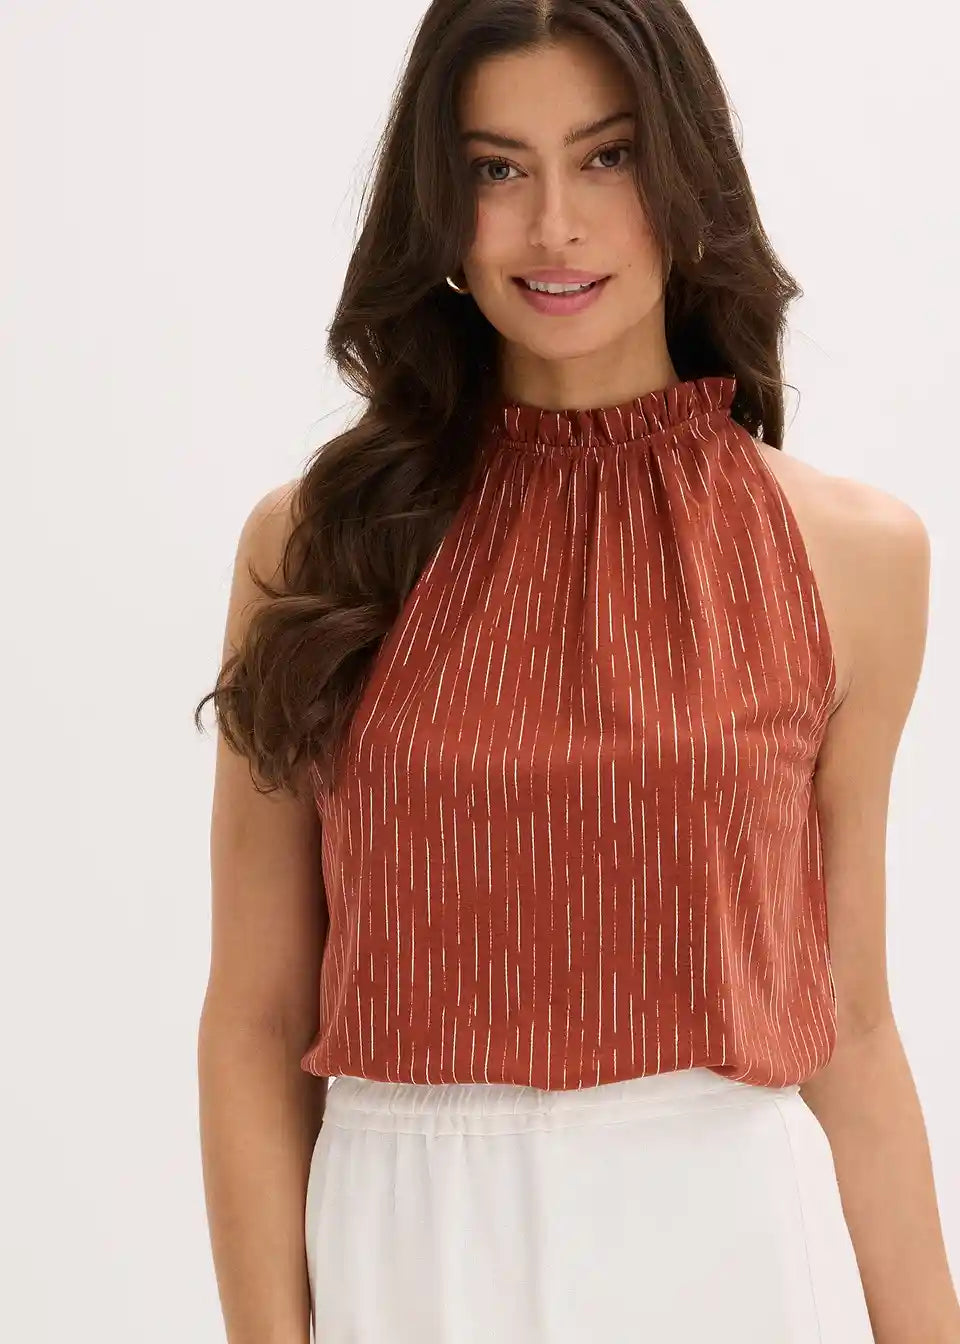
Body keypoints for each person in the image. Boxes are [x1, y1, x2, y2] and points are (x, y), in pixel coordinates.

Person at [195, 3, 960, 1342]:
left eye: (607, 157)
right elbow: (255, 1024)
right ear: (440, 209)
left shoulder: (850, 555)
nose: (554, 226)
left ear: (686, 176)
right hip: (413, 1252)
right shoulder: (318, 547)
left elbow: (849, 1021)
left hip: (727, 1247)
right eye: (497, 169)